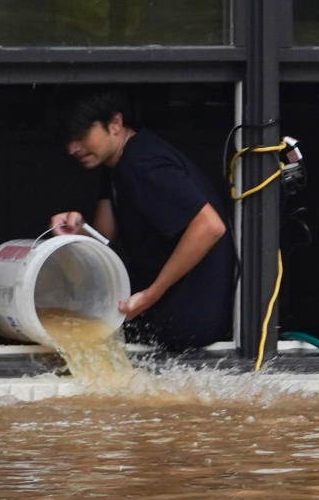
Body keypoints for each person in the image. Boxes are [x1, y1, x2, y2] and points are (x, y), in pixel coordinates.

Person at [51, 91, 235, 355]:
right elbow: (105, 236)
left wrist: (150, 296)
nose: (73, 148)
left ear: (115, 123)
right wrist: (78, 228)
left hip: (186, 321)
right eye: (68, 140)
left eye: (80, 135)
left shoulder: (142, 162)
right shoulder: (116, 163)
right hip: (163, 312)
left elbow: (210, 226)